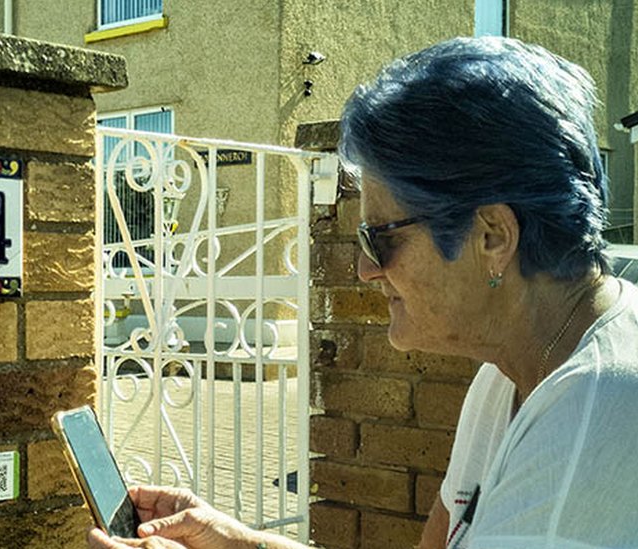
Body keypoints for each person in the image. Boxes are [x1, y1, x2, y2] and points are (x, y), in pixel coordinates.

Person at [91, 36, 638, 549]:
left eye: (380, 239)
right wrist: (236, 541)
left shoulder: (595, 421)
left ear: (492, 236)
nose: (362, 269)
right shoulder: (512, 368)